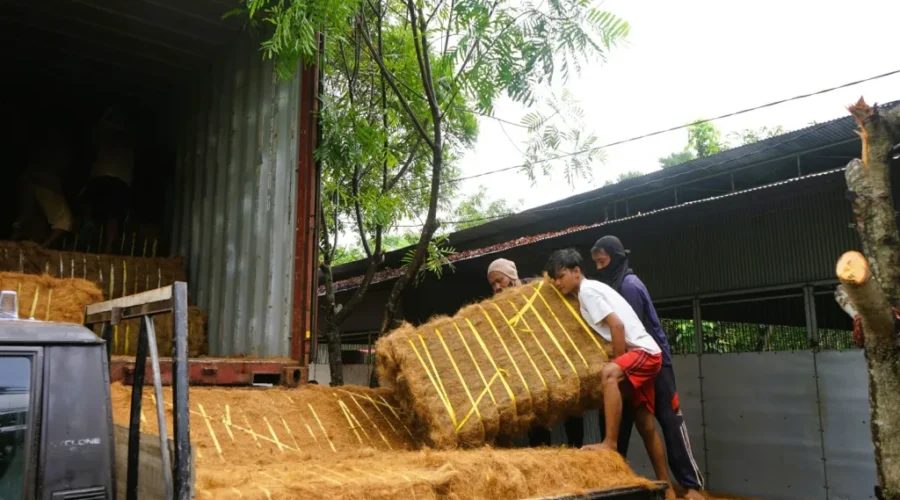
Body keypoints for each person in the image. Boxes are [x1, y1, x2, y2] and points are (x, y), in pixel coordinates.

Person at [544, 248, 676, 500]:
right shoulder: (588, 293)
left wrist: (618, 364)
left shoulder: (588, 291)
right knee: (646, 426)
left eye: (561, 276)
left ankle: (610, 443)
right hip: (647, 352)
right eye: (555, 279)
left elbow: (617, 325)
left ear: (576, 271)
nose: (558, 282)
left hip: (645, 353)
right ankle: (668, 489)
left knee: (609, 374)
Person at [591, 236, 704, 500]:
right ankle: (621, 483)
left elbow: (631, 331)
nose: (598, 268)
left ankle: (692, 486)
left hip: (653, 362)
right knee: (628, 421)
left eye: (602, 262)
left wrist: (618, 363)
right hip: (633, 362)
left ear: (616, 258)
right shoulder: (613, 285)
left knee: (669, 419)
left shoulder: (629, 286)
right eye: (595, 263)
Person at [486, 258, 585, 448]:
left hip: (558, 358)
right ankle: (542, 456)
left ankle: (577, 449)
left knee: (572, 408)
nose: (497, 287)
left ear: (512, 276)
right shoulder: (497, 306)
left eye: (500, 280)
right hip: (530, 370)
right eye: (493, 284)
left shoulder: (539, 290)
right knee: (536, 415)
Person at [78, 106, 135, 254]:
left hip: (102, 175)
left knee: (87, 200)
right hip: (120, 180)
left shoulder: (102, 132)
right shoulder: (130, 136)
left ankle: (88, 222)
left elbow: (92, 142)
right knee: (113, 215)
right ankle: (108, 247)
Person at [11, 125, 75, 248]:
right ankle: (39, 246)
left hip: (38, 181)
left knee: (34, 217)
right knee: (62, 219)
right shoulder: (42, 161)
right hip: (38, 181)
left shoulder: (47, 162)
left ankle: (37, 244)